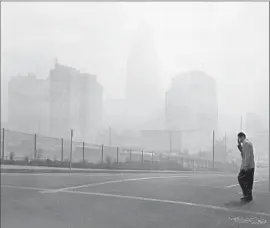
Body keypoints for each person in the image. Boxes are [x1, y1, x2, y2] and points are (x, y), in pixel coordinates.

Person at [237, 132, 255, 202]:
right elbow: (244, 155)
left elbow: (247, 156)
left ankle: (246, 195)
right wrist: (240, 148)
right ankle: (248, 197)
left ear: (242, 137)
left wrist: (245, 166)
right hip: (251, 166)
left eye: (239, 138)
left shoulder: (245, 143)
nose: (239, 140)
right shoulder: (248, 143)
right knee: (248, 181)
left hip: (248, 166)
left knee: (240, 178)